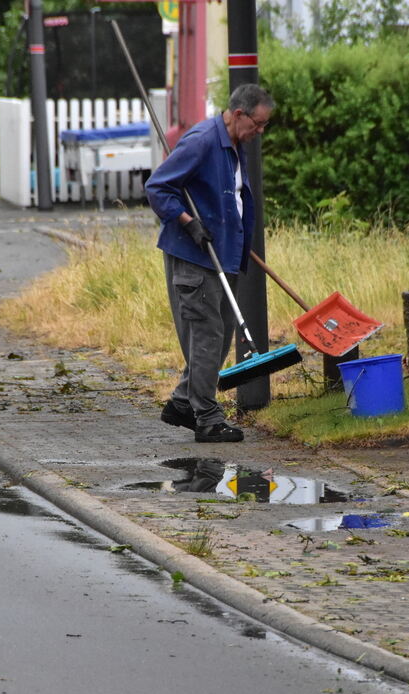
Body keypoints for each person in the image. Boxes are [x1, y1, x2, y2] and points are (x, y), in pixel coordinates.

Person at [144, 84, 274, 444]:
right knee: (207, 336)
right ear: (238, 114)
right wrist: (189, 223)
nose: (260, 131)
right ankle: (208, 418)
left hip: (224, 254)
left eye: (264, 125)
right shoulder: (201, 141)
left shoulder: (235, 146)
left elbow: (228, 197)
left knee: (219, 339)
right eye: (258, 124)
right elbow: (158, 188)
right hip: (194, 256)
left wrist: (237, 236)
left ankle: (183, 403)